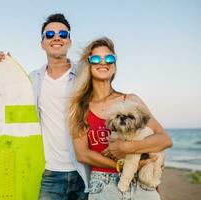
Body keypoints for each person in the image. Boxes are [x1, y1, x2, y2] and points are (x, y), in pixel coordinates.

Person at [0, 13, 89, 200]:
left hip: (83, 171)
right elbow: (10, 99)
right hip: (50, 173)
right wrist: (3, 66)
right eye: (49, 34)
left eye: (63, 34)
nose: (57, 37)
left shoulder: (85, 75)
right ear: (42, 43)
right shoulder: (33, 79)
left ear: (69, 41)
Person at [68, 37, 173, 200]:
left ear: (114, 66)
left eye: (109, 58)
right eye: (96, 58)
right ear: (89, 65)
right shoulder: (79, 107)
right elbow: (83, 155)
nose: (103, 62)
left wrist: (127, 148)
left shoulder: (131, 100)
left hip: (142, 184)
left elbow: (165, 139)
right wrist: (124, 166)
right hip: (104, 185)